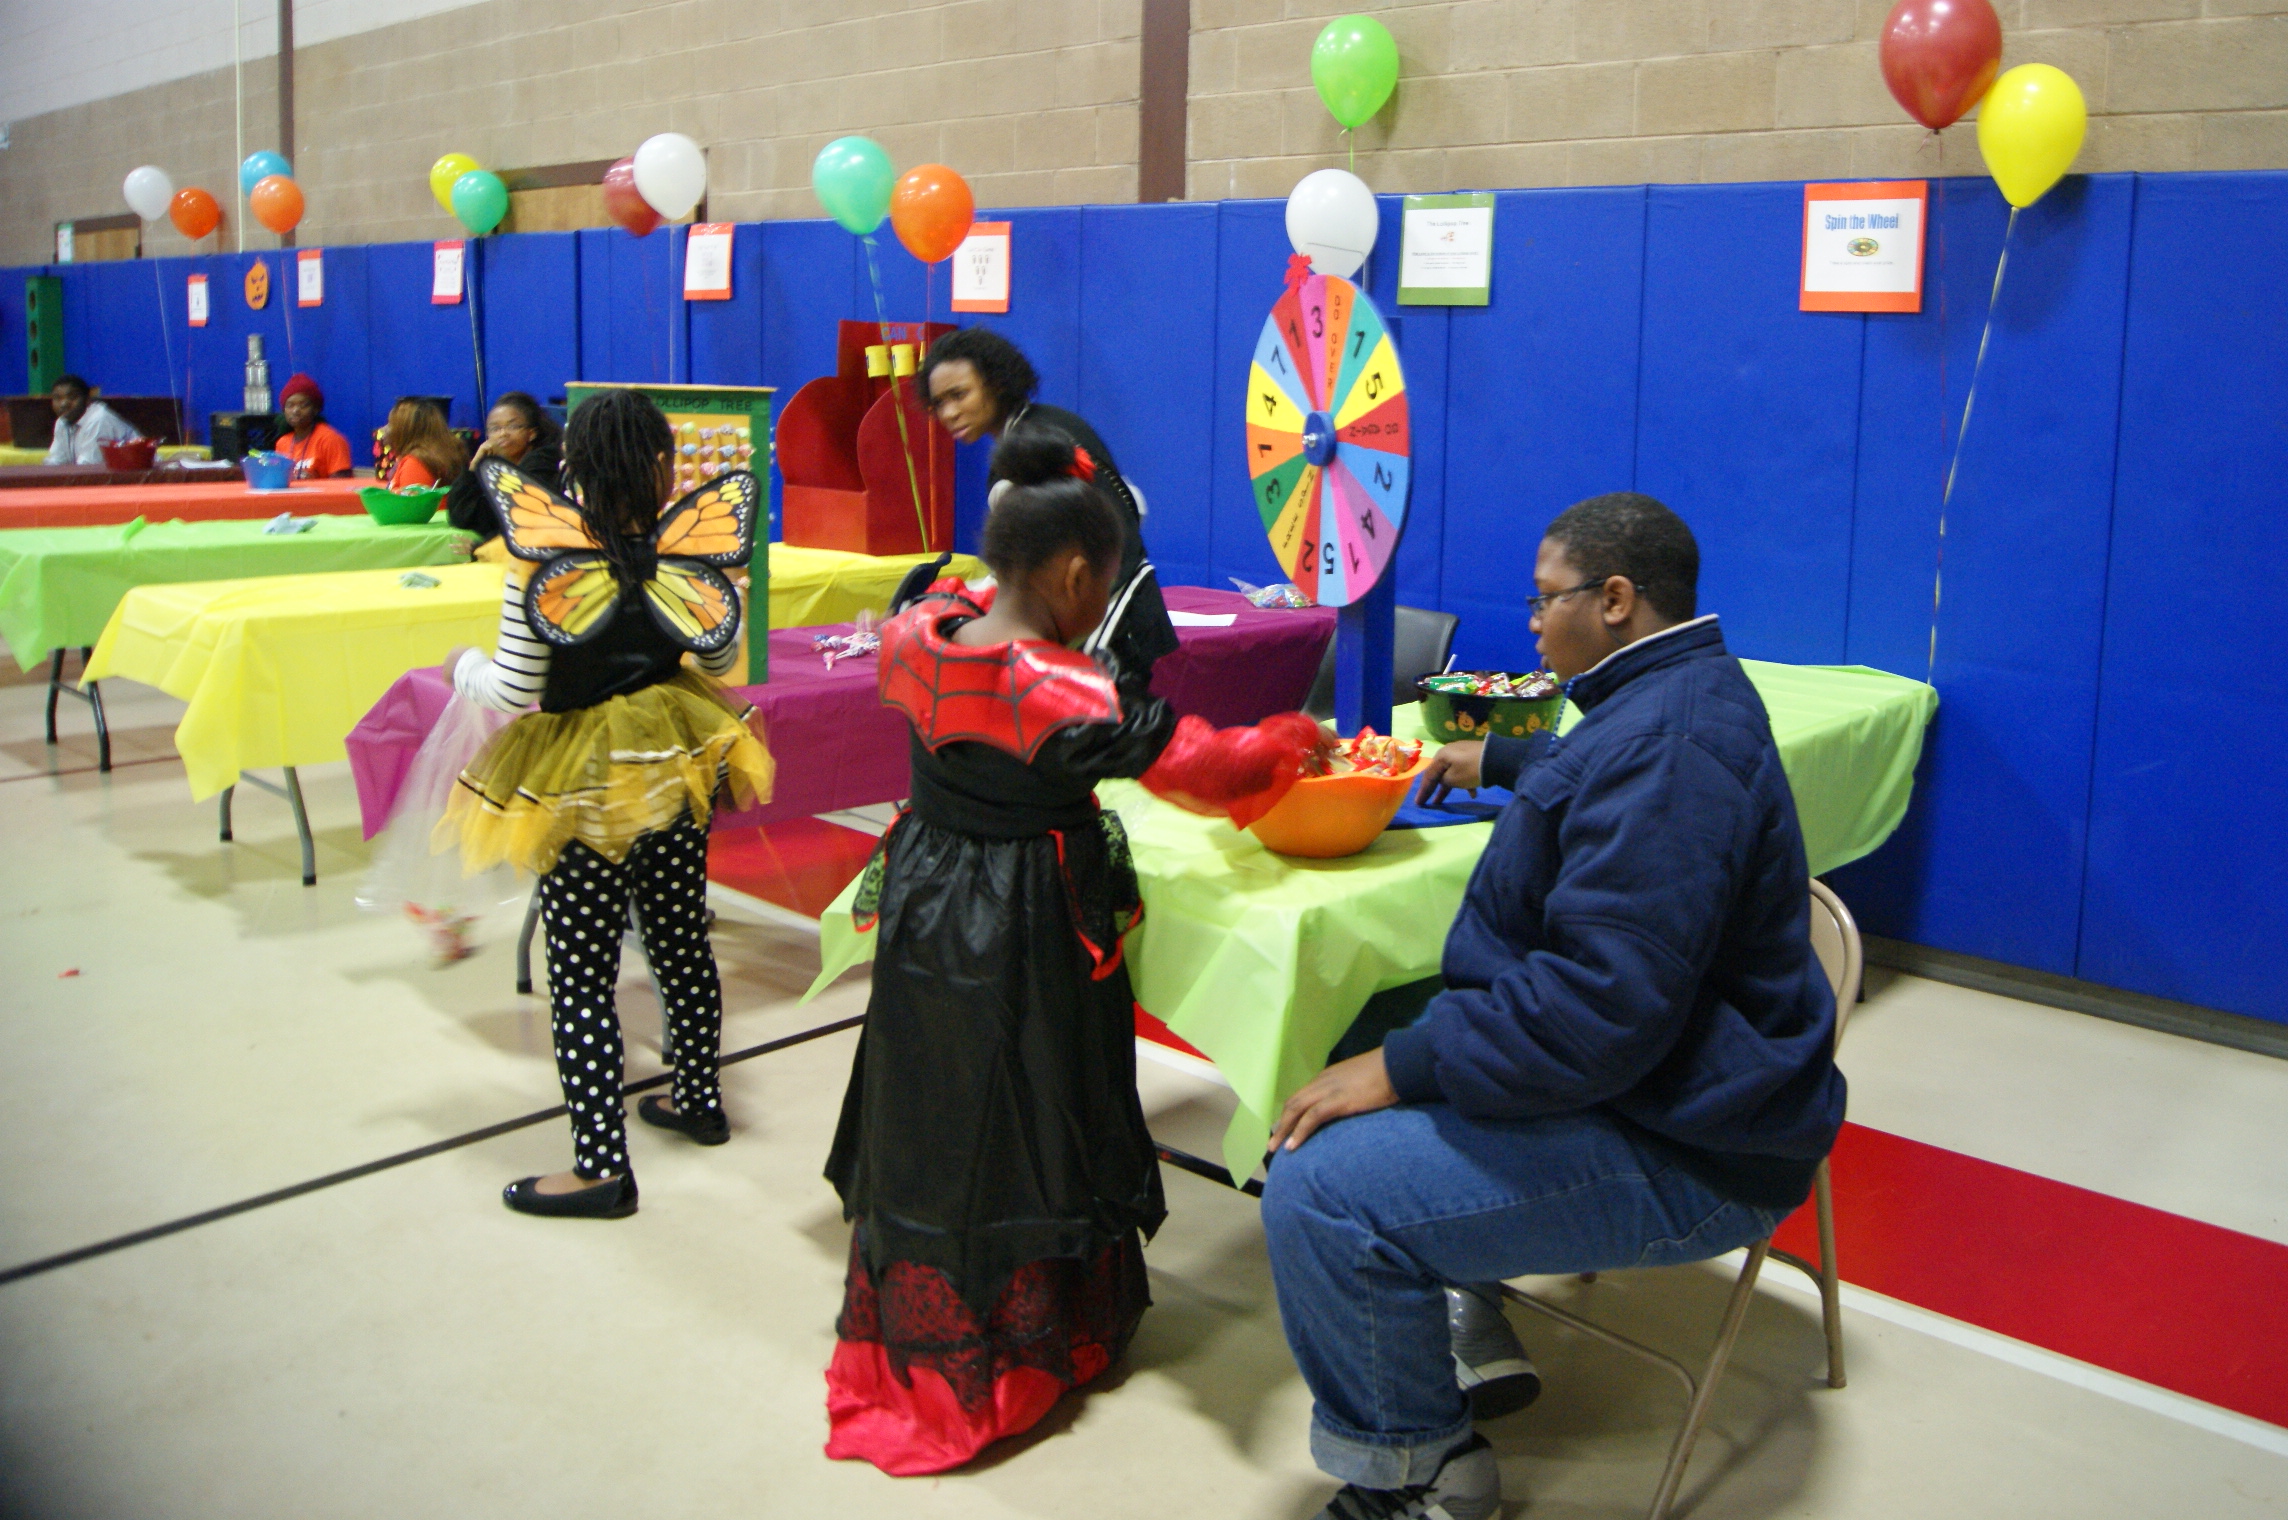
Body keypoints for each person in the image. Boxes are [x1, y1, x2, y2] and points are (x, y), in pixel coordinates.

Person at [1257, 493, 1847, 1520]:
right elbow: (1604, 761)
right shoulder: (1673, 690)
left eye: (1545, 600)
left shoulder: (1671, 749)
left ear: (1614, 599)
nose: (1531, 623)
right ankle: (1458, 1298)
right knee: (1362, 1024)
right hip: (1672, 1083)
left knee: (1318, 1186)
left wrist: (1404, 1067)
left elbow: (1596, 1012)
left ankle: (1426, 1474)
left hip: (1692, 1145)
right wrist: (1498, 758)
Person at [822, 428, 1329, 1475]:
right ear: (1069, 573)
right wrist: (1295, 738)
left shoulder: (919, 631)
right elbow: (1212, 767)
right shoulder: (1060, 692)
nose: (1105, 603)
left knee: (936, 1103)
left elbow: (965, 609)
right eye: (1103, 580)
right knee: (1035, 1105)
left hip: (926, 905)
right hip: (1024, 919)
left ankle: (928, 1344)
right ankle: (1023, 1352)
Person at [440, 389, 774, 1220]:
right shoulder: (686, 553)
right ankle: (698, 1099)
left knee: (582, 972)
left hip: (581, 783)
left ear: (572, 467)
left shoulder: (542, 561)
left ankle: (600, 1167)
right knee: (680, 940)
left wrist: (461, 668)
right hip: (672, 763)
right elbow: (721, 657)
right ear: (663, 467)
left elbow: (514, 685)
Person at [918, 327, 1179, 689]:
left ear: (997, 382)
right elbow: (1131, 509)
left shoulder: (1030, 446)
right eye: (939, 403)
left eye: (959, 395)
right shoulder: (1050, 424)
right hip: (1120, 611)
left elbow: (1095, 540)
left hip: (1111, 624)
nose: (949, 413)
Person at [447, 392, 562, 540]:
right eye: (495, 429)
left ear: (532, 433)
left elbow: (509, 517)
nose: (503, 434)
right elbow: (461, 516)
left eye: (513, 426)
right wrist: (474, 467)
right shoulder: (496, 466)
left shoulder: (543, 462)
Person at [43, 375, 142, 465]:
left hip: (141, 473)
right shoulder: (62, 422)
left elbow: (88, 468)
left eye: (72, 397)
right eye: (57, 398)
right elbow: (56, 461)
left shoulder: (98, 419)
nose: (63, 404)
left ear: (87, 399)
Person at [274, 374, 354, 479]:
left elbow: (342, 484)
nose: (295, 411)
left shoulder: (331, 439)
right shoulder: (282, 443)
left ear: (316, 409)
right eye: (290, 405)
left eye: (303, 405)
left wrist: (314, 482)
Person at [379, 398, 467, 490]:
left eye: (391, 424)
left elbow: (411, 499)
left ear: (406, 430)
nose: (383, 429)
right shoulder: (444, 453)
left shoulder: (415, 463)